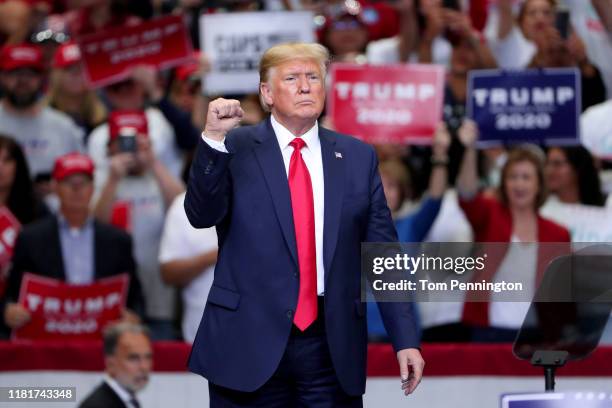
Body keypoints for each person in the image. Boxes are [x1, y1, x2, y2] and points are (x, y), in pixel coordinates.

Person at [185, 42, 424, 406]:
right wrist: (213, 140)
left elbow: (383, 255)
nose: (305, 86)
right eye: (292, 77)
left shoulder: (357, 156)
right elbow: (200, 215)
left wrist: (405, 338)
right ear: (267, 93)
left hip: (330, 346)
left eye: (314, 77)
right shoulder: (234, 146)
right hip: (247, 341)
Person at [456, 120, 571, 341]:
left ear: (539, 184)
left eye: (526, 177)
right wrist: (470, 149)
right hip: (487, 330)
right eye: (512, 177)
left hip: (536, 334)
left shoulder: (558, 234)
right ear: (503, 183)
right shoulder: (490, 215)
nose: (519, 185)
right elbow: (467, 194)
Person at [2, 152, 144, 332]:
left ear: (93, 188)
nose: (77, 189)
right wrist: (8, 311)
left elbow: (135, 297)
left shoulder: (118, 240)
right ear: (55, 187)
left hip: (100, 345)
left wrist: (133, 317)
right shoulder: (30, 238)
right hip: (47, 344)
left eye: (83, 183)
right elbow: (12, 292)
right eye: (69, 182)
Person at [0, 43, 83, 185]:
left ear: (42, 78)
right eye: (15, 72)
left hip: (51, 204)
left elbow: (80, 177)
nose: (23, 80)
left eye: (31, 73)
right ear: (2, 76)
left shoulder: (63, 127)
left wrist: (57, 187)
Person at [79, 322, 152, 408]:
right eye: (133, 358)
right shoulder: (96, 406)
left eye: (148, 357)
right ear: (110, 364)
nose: (144, 367)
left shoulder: (129, 400)